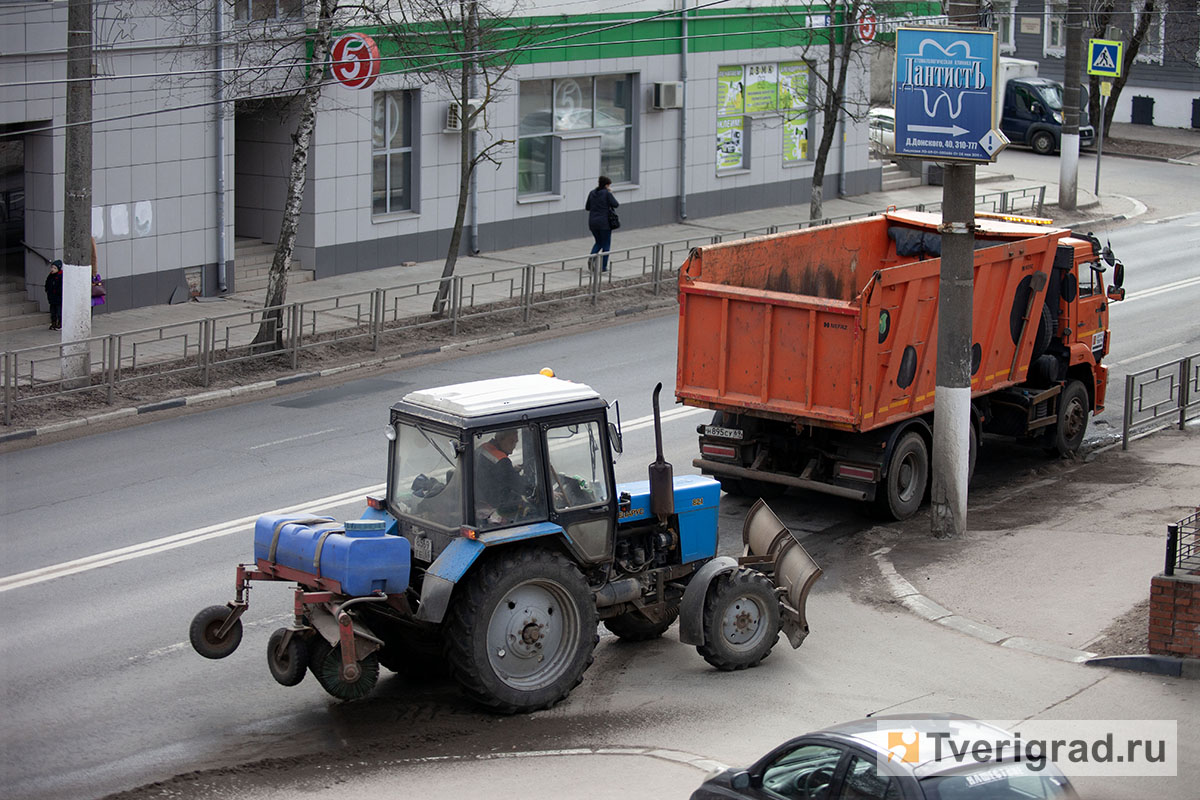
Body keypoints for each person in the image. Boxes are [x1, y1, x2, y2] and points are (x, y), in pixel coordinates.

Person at [475, 429, 528, 521]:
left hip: (480, 495)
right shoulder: (502, 461)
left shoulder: (483, 448)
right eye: (511, 442)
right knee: (530, 508)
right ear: (500, 439)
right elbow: (520, 486)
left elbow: (492, 471)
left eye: (515, 442)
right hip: (495, 503)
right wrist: (540, 490)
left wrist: (512, 470)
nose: (514, 446)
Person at [585, 175, 619, 273]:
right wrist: (610, 193)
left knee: (598, 242)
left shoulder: (592, 193)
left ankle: (592, 258)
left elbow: (587, 207)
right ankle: (603, 267)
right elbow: (616, 204)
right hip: (605, 223)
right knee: (606, 245)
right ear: (607, 185)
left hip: (593, 223)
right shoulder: (607, 194)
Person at [44, 259, 63, 330]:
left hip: (58, 297)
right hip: (52, 297)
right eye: (52, 267)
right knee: (53, 311)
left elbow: (60, 287)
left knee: (59, 311)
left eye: (55, 268)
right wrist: (47, 290)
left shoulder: (60, 276)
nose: (52, 269)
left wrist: (58, 292)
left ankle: (59, 323)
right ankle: (53, 323)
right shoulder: (50, 276)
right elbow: (47, 283)